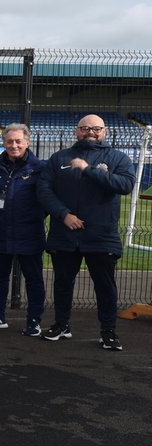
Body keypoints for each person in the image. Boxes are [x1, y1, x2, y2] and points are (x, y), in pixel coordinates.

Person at [37, 114, 136, 350]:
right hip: (64, 233)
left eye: (96, 128)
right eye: (85, 128)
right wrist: (64, 215)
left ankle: (108, 331)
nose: (90, 132)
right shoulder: (59, 157)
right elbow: (44, 189)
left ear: (105, 131)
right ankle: (62, 325)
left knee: (105, 285)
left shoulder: (118, 158)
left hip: (101, 235)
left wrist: (89, 169)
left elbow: (125, 185)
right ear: (76, 131)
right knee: (62, 283)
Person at [0, 124, 46, 337]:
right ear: (4, 143)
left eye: (18, 141)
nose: (14, 145)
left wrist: (30, 219)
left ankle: (34, 321)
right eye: (9, 141)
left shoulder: (39, 168)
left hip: (29, 234)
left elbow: (46, 201)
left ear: (27, 142)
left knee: (33, 278)